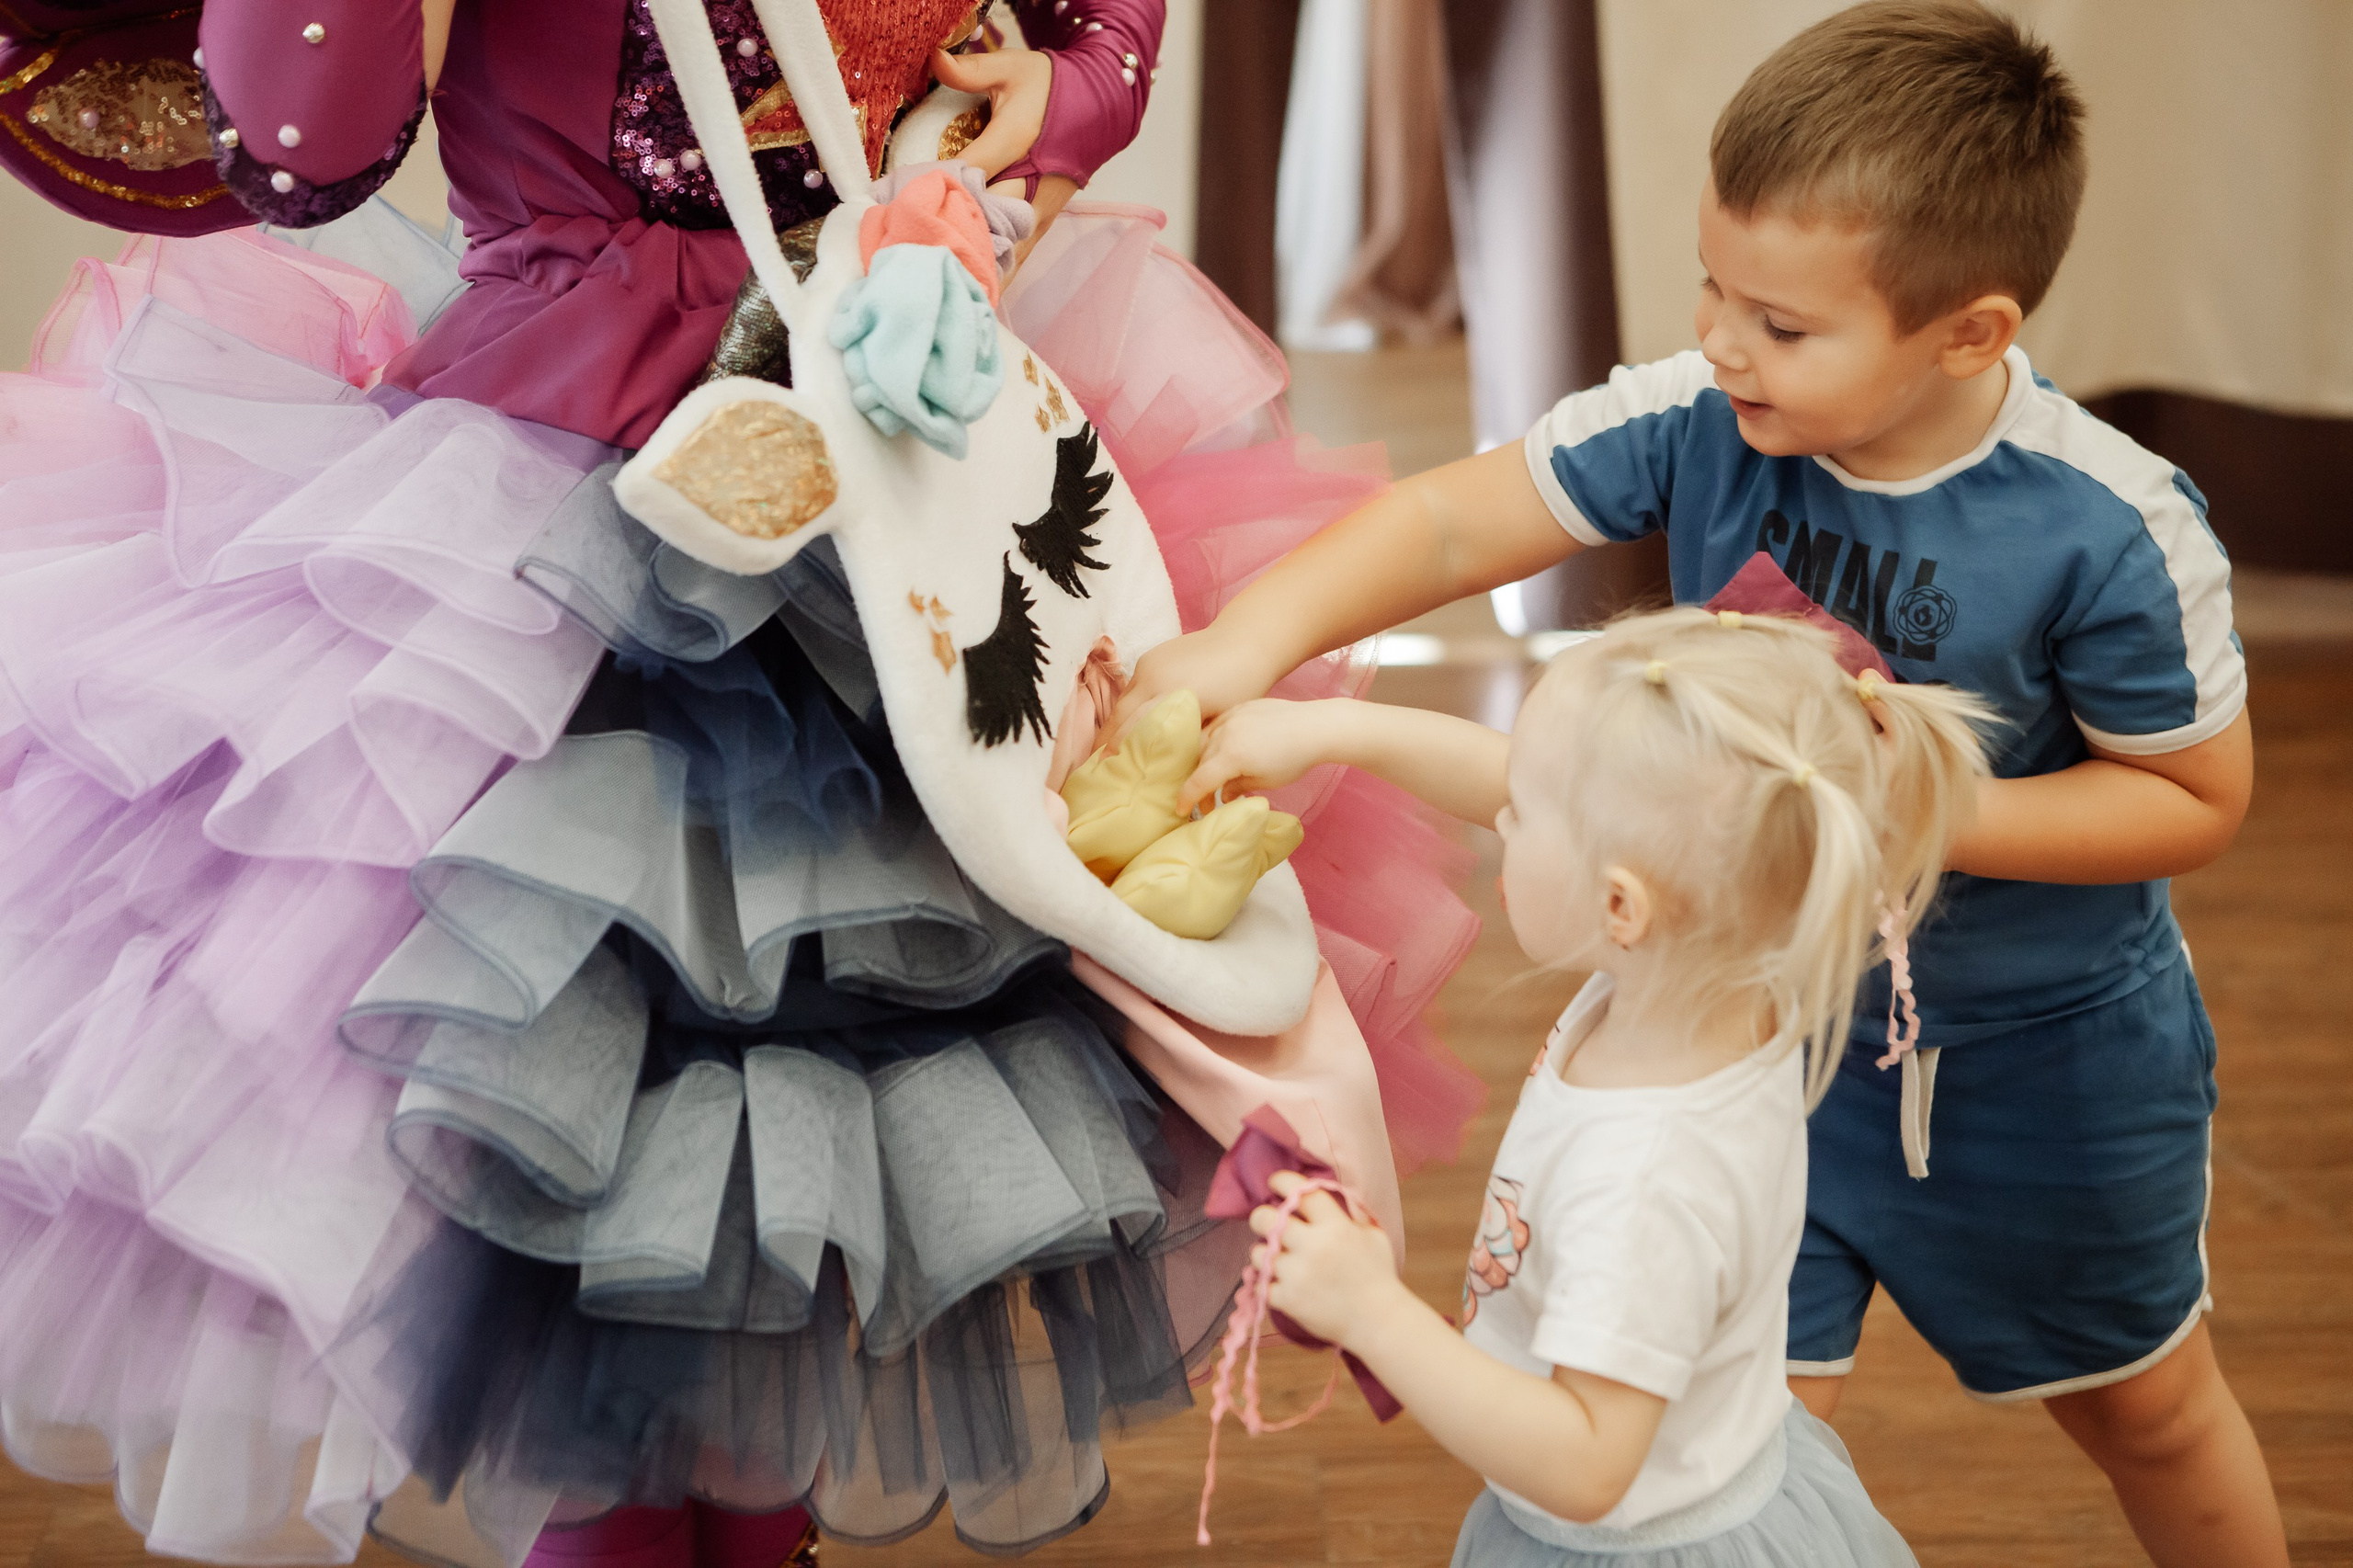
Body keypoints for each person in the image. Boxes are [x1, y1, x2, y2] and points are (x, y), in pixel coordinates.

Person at [0, 1, 1481, 1564]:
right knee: (572, 1180)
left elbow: (1086, 29)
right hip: (531, 522)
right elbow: (299, 153)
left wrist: (1068, 95)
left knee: (799, 1202)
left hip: (877, 470)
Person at [1117, 4, 2290, 1563]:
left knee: (2145, 1406)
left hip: (2040, 1070)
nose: (1726, 344)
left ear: (1972, 333)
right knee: (1715, 1447)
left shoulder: (2112, 524)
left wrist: (1897, 809)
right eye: (1712, 291)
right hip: (1741, 1042)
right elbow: (1456, 529)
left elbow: (2193, 800)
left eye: (1785, 327)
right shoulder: (1698, 411)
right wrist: (1251, 643)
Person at [1196, 607, 1986, 1564]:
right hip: (1708, 1479)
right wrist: (1332, 733)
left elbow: (1585, 1463)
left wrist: (1374, 1311)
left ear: (1620, 903)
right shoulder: (1723, 969)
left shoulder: (1644, 1176)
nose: (1496, 815)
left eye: (1519, 816)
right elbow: (1523, 779)